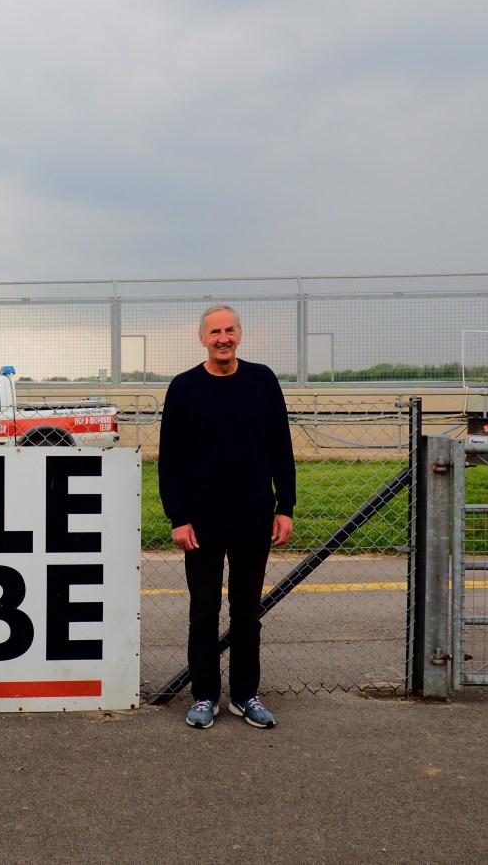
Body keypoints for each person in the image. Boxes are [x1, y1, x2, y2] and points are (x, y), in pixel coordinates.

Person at [158, 305, 295, 729]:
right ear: (202, 338)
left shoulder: (262, 381)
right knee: (203, 611)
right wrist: (178, 517)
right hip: (201, 523)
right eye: (215, 332)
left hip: (253, 517)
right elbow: (170, 461)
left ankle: (244, 695)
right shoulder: (184, 388)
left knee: (246, 612)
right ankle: (204, 697)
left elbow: (281, 448)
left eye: (229, 330)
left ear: (240, 334)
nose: (223, 338)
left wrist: (285, 507)